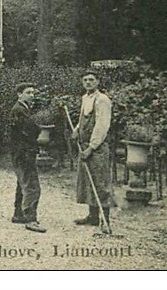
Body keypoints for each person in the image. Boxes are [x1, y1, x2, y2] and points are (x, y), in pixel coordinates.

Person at [72, 71, 115, 228]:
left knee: (100, 182)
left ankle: (105, 220)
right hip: (84, 145)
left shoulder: (102, 100)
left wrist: (91, 147)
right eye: (85, 80)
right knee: (88, 181)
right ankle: (93, 216)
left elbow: (102, 125)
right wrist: (77, 129)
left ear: (97, 82)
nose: (88, 82)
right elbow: (83, 118)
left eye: (91, 80)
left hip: (97, 148)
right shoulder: (85, 98)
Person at [9, 83, 46, 232]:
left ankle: (18, 214)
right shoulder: (19, 110)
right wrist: (39, 129)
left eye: (33, 92)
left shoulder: (23, 108)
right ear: (19, 94)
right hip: (23, 152)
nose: (32, 95)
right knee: (32, 185)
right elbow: (28, 131)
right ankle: (31, 219)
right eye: (28, 92)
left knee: (22, 182)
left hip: (20, 152)